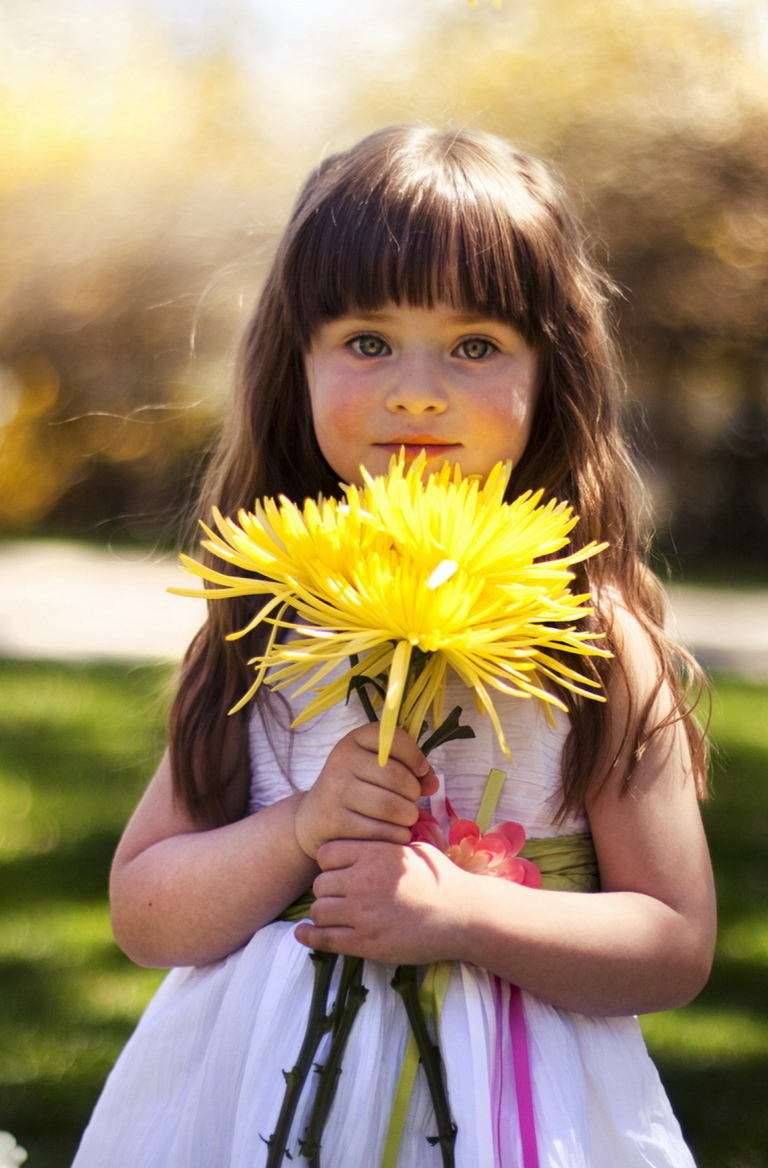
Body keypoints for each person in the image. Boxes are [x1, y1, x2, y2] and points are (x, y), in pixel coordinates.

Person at [72, 126, 715, 1168]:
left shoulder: (590, 639)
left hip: (509, 1112)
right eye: (368, 340)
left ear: (554, 370)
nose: (418, 390)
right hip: (251, 1105)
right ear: (299, 361)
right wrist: (299, 829)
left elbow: (673, 944)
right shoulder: (264, 619)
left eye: (475, 345)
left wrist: (465, 914)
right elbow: (147, 911)